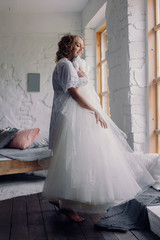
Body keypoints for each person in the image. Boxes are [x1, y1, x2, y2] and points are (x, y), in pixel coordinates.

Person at [42, 34, 156, 222]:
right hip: (71, 115)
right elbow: (73, 93)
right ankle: (67, 206)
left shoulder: (68, 65)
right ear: (67, 46)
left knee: (75, 157)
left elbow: (75, 86)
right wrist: (94, 110)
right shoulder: (64, 65)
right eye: (77, 45)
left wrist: (83, 77)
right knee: (72, 158)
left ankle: (61, 199)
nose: (80, 49)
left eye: (82, 46)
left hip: (70, 114)